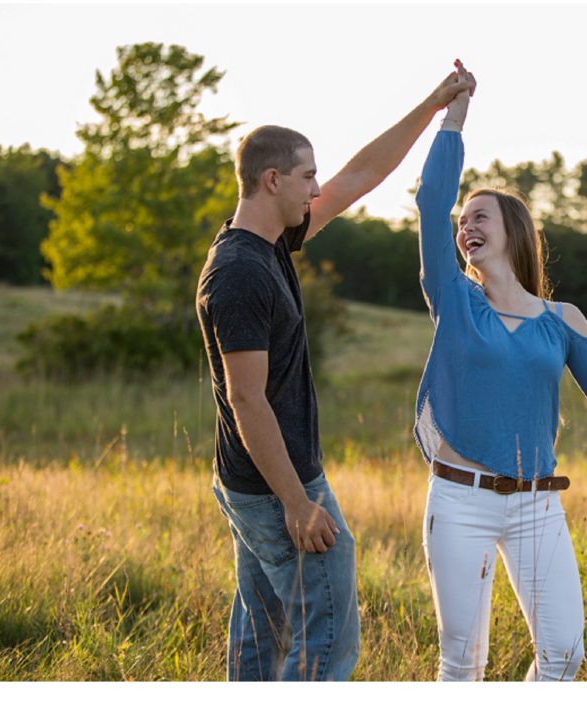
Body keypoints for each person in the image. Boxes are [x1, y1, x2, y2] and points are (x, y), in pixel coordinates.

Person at [414, 60, 587, 682]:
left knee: (565, 654)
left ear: (513, 230)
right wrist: (454, 115)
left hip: (538, 505)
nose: (466, 227)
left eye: (480, 217)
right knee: (462, 662)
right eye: (463, 222)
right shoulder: (456, 302)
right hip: (459, 499)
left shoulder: (562, 319)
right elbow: (432, 199)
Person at [196, 69, 473, 682]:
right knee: (327, 641)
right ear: (273, 180)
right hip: (277, 487)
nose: (318, 186)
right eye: (306, 176)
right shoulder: (239, 274)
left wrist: (433, 104)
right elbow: (247, 400)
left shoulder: (271, 242)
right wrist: (297, 502)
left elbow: (360, 175)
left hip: (257, 482)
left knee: (261, 635)